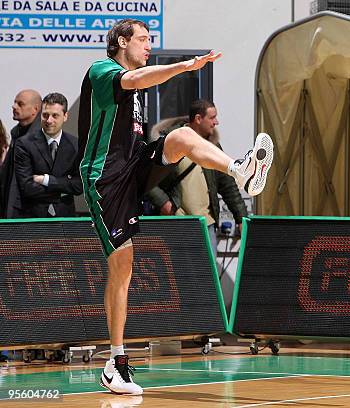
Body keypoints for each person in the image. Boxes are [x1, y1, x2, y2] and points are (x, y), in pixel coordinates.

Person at [78, 18, 273, 395]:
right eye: (143, 39)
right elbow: (136, 79)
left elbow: (139, 106)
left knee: (183, 135)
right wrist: (184, 67)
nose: (149, 45)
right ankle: (115, 363)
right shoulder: (103, 70)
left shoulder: (136, 97)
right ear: (121, 42)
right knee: (122, 264)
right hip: (105, 178)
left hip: (134, 166)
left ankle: (240, 170)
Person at [147, 99, 248, 255]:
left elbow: (227, 184)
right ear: (198, 119)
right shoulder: (170, 141)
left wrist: (241, 218)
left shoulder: (213, 146)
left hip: (206, 225)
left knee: (208, 276)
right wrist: (164, 203)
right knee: (178, 275)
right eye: (212, 117)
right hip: (176, 223)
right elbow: (146, 178)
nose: (217, 122)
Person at [14, 93, 82, 218]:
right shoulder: (24, 144)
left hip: (65, 217)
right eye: (45, 115)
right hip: (32, 217)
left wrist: (47, 180)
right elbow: (27, 187)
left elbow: (79, 186)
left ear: (65, 116)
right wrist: (63, 190)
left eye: (55, 115)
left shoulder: (76, 145)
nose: (49, 120)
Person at [0, 89, 42, 218]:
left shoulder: (41, 139)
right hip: (11, 210)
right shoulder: (16, 134)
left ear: (35, 109)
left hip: (29, 215)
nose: (14, 106)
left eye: (20, 104)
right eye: (14, 102)